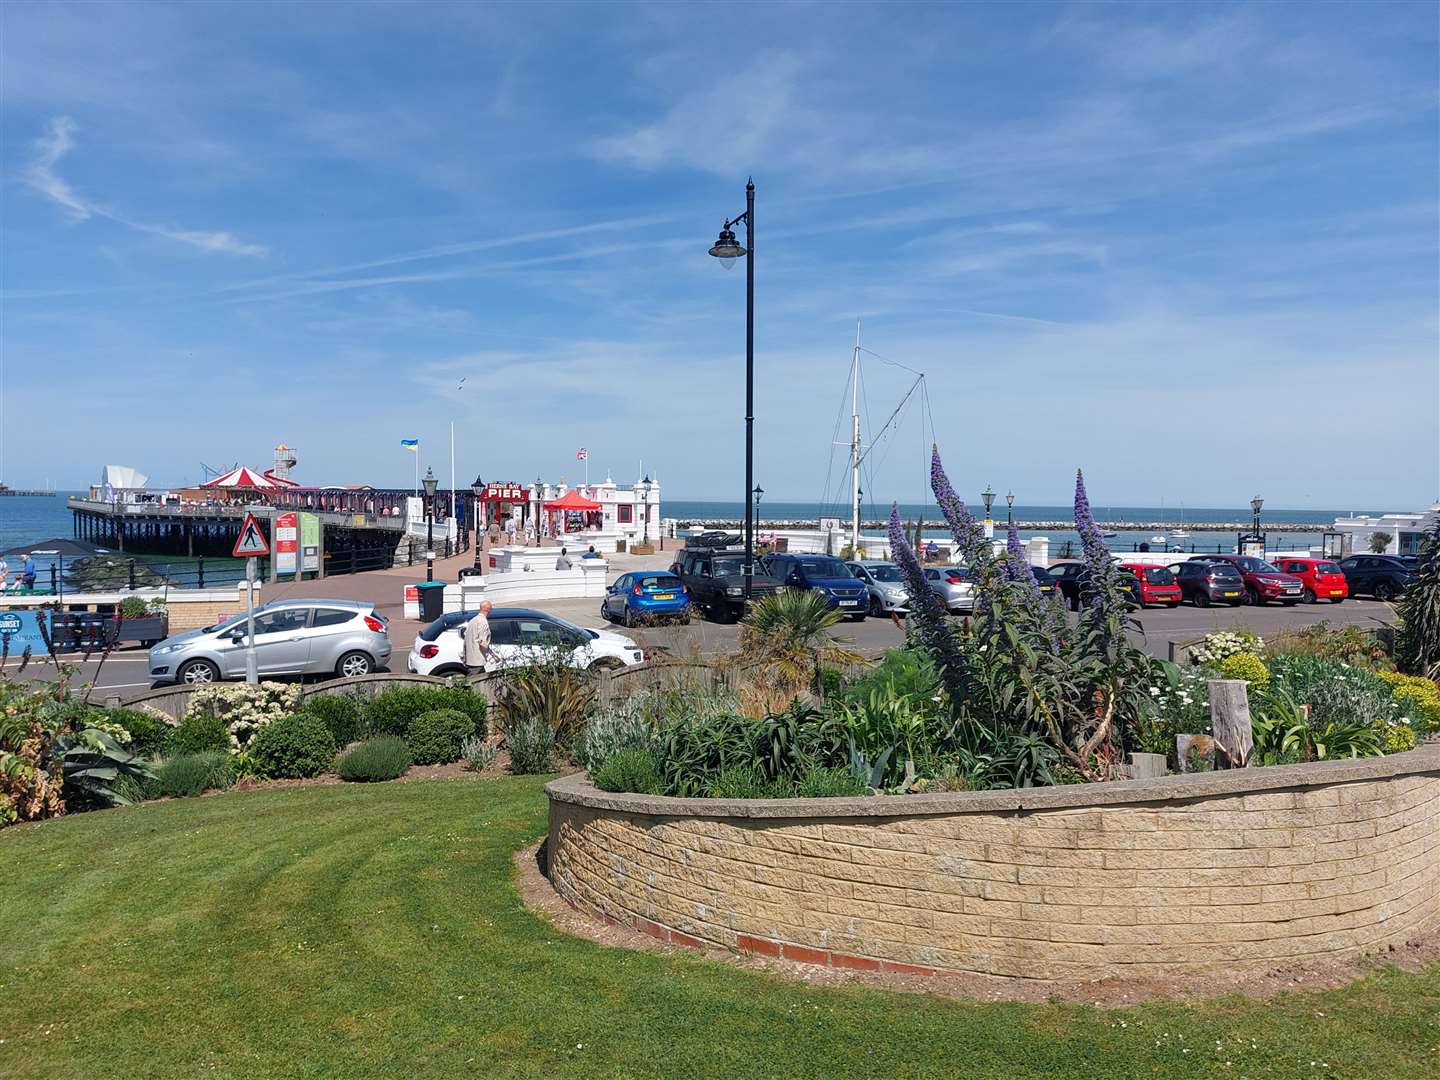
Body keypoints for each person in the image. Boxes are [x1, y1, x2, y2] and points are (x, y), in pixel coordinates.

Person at [463, 600, 499, 673]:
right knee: (475, 682)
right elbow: (482, 642)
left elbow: (466, 638)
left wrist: (464, 656)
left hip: (470, 660)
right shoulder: (483, 622)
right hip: (478, 661)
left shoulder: (472, 621)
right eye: (491, 609)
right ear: (488, 609)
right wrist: (493, 655)